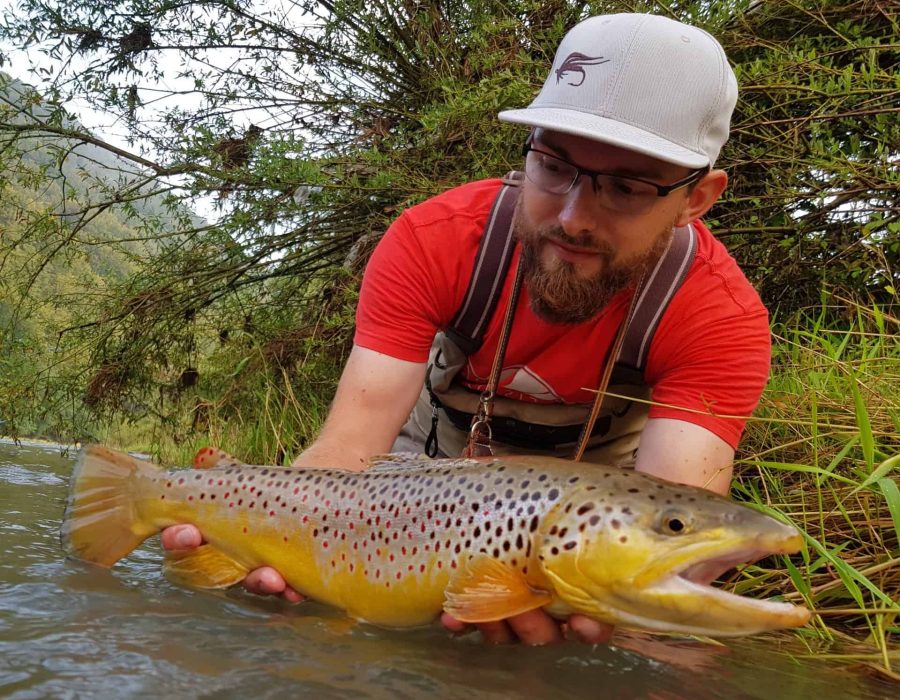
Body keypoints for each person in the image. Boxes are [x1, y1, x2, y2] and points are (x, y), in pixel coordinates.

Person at [162, 13, 770, 645]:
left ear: (696, 199)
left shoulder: (718, 317)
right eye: (554, 167)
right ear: (529, 143)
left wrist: (639, 628)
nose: (573, 217)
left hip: (594, 507)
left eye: (626, 187)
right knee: (318, 624)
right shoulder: (436, 240)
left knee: (659, 650)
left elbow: (676, 527)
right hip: (421, 491)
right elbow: (348, 451)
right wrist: (289, 547)